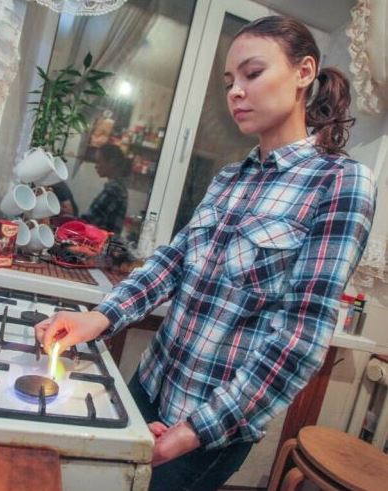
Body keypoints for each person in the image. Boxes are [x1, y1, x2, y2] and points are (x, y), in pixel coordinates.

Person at [36, 15, 376, 491]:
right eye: (229, 81)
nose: (235, 91)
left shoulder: (339, 182)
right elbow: (173, 262)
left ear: (304, 72)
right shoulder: (230, 178)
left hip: (208, 427)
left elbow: (300, 339)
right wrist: (101, 316)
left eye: (252, 73)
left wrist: (193, 432)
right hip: (150, 384)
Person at [81, 143, 131, 235]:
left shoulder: (114, 190)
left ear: (112, 163)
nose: (96, 166)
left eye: (99, 161)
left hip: (103, 240)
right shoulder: (118, 187)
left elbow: (89, 220)